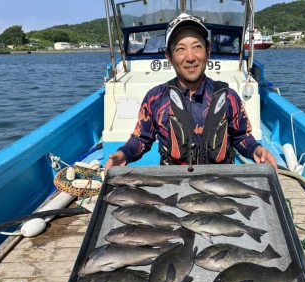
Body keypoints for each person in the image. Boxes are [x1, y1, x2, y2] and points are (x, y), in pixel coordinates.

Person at [105, 13, 277, 172]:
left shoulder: (229, 97)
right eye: (180, 49)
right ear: (169, 57)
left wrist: (256, 149)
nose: (190, 57)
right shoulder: (155, 98)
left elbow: (241, 137)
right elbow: (141, 138)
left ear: (208, 52)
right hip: (174, 183)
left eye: (197, 47)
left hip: (220, 182)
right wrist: (124, 154)